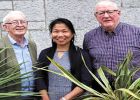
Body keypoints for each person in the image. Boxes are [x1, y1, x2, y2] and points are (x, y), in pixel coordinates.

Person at [83, 0, 140, 92]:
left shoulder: (137, 33)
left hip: (132, 92)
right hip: (100, 93)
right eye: (101, 13)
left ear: (118, 13)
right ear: (96, 16)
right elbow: (87, 64)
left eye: (110, 12)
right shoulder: (89, 37)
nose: (106, 16)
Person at [36, 18, 92, 100]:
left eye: (64, 31)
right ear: (51, 34)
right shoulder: (45, 53)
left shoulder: (81, 55)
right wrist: (45, 98)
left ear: (72, 34)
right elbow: (39, 77)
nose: (60, 35)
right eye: (56, 31)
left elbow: (86, 82)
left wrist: (65, 99)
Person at [0, 11, 37, 100]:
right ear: (5, 27)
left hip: (33, 97)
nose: (20, 25)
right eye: (15, 22)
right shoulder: (1, 46)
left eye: (23, 22)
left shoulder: (31, 45)